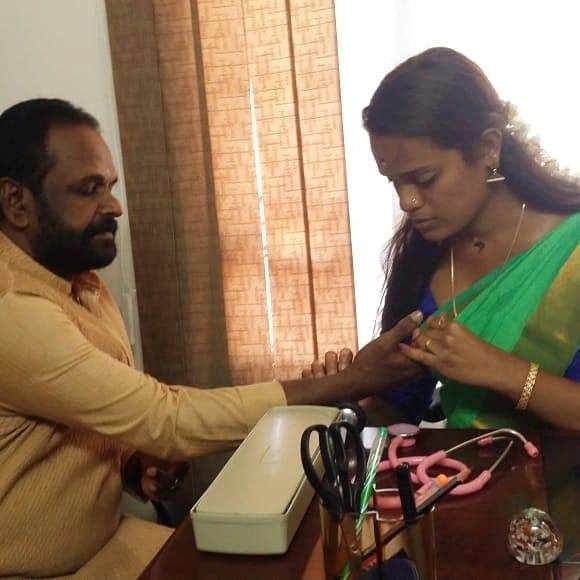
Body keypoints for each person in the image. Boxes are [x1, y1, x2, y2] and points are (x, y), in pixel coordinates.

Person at [0, 98, 422, 578]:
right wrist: (351, 379)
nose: (114, 206)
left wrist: (134, 464)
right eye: (88, 189)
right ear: (16, 202)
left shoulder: (81, 282)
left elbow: (94, 410)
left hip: (107, 542)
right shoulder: (13, 310)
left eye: (111, 187)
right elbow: (166, 418)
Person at [358, 47, 579, 430]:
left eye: (424, 178)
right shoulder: (422, 257)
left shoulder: (571, 247)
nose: (407, 201)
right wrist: (350, 387)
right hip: (462, 468)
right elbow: (399, 412)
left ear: (488, 148)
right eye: (394, 182)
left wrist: (502, 371)